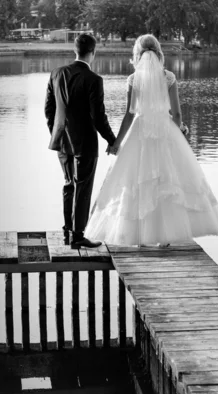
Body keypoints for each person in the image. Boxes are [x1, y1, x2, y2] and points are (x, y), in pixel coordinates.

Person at [85, 34, 218, 247]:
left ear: (138, 54)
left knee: (136, 181)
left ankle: (140, 237)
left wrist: (116, 143)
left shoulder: (133, 79)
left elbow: (130, 114)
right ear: (159, 52)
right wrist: (180, 131)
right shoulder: (168, 77)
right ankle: (165, 237)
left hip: (140, 131)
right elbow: (177, 114)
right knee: (167, 181)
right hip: (165, 129)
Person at [44, 33, 116, 248]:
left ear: (74, 50)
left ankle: (68, 230)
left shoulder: (56, 73)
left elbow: (49, 109)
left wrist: (56, 133)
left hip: (61, 141)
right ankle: (78, 235)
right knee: (82, 187)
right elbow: (98, 116)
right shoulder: (94, 80)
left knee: (68, 184)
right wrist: (111, 140)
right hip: (85, 141)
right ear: (93, 52)